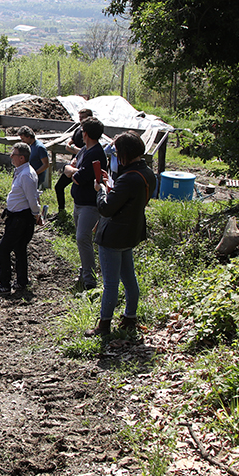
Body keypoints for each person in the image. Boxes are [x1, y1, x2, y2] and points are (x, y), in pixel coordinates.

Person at [94, 130, 156, 338]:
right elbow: (127, 199)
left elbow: (106, 209)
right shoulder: (146, 173)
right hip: (131, 232)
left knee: (111, 283)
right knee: (129, 278)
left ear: (124, 153)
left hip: (113, 235)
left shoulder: (128, 179)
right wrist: (112, 185)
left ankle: (104, 325)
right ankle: (130, 317)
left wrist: (101, 189)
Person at [0, 142, 43, 294]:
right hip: (18, 217)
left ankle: (5, 284)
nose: (10, 157)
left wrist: (36, 215)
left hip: (21, 219)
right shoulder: (22, 171)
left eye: (13, 154)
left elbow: (32, 199)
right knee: (19, 248)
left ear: (21, 157)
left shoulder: (26, 174)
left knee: (3, 250)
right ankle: (21, 281)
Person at [64, 117, 107, 290]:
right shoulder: (85, 150)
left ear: (86, 133)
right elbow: (74, 169)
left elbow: (78, 178)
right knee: (81, 239)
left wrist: (70, 170)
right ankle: (85, 271)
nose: (81, 133)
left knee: (83, 238)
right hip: (79, 202)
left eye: (82, 130)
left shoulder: (95, 153)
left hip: (89, 204)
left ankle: (90, 279)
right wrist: (72, 169)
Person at [54, 107, 95, 215]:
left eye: (83, 118)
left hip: (82, 166)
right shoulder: (78, 130)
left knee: (80, 191)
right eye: (80, 117)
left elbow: (85, 150)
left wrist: (77, 150)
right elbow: (68, 145)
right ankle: (61, 210)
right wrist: (76, 150)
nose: (80, 120)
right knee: (59, 186)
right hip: (73, 165)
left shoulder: (90, 133)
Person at [18, 126, 50, 193]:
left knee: (32, 194)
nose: (22, 141)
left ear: (29, 136)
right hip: (30, 175)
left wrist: (35, 173)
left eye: (23, 138)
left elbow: (46, 164)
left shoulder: (39, 147)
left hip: (36, 177)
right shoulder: (30, 145)